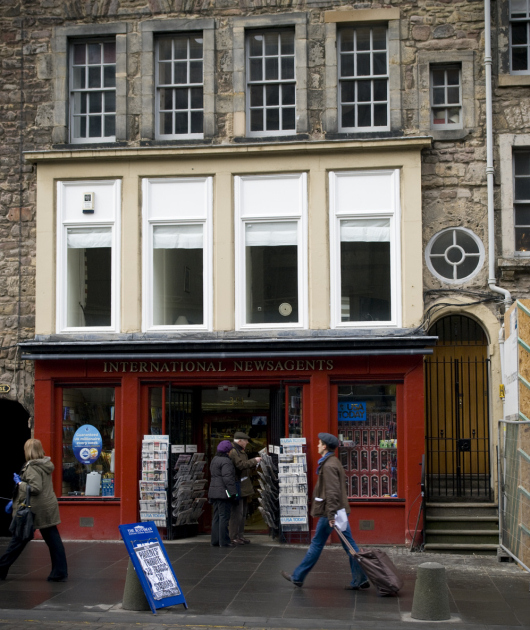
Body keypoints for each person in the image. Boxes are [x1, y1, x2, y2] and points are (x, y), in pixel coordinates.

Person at [280, 432, 369, 590]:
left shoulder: (328, 465)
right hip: (337, 511)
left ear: (325, 446)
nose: (317, 445)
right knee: (349, 545)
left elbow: (333, 493)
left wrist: (331, 515)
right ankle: (360, 578)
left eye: (319, 443)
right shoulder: (332, 462)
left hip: (332, 512)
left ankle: (298, 577)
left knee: (317, 544)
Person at [0, 438, 68, 582]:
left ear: (28, 451)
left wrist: (19, 483)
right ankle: (59, 572)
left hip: (34, 510)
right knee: (53, 540)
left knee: (19, 539)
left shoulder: (32, 467)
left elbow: (35, 488)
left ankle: (2, 567)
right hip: (46, 507)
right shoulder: (44, 464)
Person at [229, 431, 261, 545]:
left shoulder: (240, 451)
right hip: (237, 486)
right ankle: (233, 536)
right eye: (245, 440)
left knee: (242, 513)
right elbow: (241, 465)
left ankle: (240, 535)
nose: (247, 442)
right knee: (237, 513)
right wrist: (254, 461)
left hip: (243, 485)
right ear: (239, 441)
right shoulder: (233, 451)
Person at [208, 440, 239, 548]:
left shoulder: (214, 460)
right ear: (228, 451)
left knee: (216, 517)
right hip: (223, 493)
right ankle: (224, 541)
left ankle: (215, 540)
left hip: (214, 492)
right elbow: (228, 479)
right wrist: (233, 493)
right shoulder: (226, 461)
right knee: (224, 517)